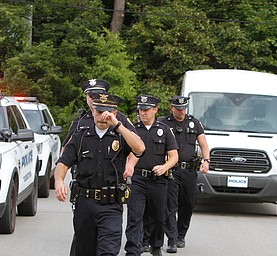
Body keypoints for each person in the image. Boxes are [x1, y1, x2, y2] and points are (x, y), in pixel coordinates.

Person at [55, 92, 145, 256]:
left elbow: (140, 148)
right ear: (93, 112)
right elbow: (63, 162)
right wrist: (59, 181)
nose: (102, 117)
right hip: (85, 204)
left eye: (107, 113)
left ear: (114, 114)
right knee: (84, 251)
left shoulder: (120, 135)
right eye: (98, 112)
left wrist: (117, 124)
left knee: (108, 252)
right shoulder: (80, 137)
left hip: (110, 206)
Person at [125, 95, 179, 256]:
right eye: (140, 110)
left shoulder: (164, 130)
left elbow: (174, 156)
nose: (143, 113)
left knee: (158, 216)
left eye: (146, 110)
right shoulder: (132, 129)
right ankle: (133, 249)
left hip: (158, 180)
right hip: (138, 179)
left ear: (155, 110)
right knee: (135, 216)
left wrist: (165, 167)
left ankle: (156, 246)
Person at [160, 96, 210, 253]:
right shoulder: (164, 123)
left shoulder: (194, 123)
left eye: (183, 109)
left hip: (189, 170)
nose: (181, 111)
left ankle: (181, 235)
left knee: (188, 204)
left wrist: (206, 161)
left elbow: (203, 144)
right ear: (171, 108)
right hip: (171, 171)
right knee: (170, 206)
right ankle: (172, 239)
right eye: (178, 108)